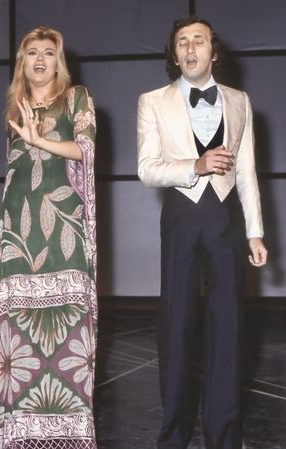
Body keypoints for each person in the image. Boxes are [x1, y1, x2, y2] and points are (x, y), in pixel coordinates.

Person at [137, 16, 268, 449]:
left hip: (228, 222)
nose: (191, 48)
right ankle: (173, 437)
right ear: (175, 56)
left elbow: (247, 171)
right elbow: (146, 169)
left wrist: (255, 232)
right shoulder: (152, 101)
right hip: (181, 218)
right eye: (182, 42)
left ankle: (224, 437)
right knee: (176, 327)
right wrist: (193, 166)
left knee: (228, 329)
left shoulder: (239, 101)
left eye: (199, 40)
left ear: (214, 52)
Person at [0, 26, 98, 448]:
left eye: (48, 53)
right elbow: (15, 174)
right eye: (32, 53)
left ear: (59, 62)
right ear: (22, 63)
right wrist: (2, 227)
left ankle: (68, 432)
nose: (40, 60)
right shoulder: (14, 111)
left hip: (64, 231)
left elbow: (85, 150)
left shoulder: (76, 98)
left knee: (68, 334)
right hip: (17, 234)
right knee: (15, 336)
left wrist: (41, 139)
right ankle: (17, 431)